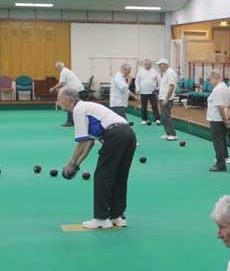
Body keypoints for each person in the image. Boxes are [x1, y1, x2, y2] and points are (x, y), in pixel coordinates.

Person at [57, 88, 137, 229]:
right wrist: (77, 165)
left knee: (102, 176)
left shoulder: (78, 109)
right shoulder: (87, 108)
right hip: (128, 134)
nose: (57, 102)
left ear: (68, 99)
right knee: (119, 176)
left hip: (115, 135)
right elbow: (90, 143)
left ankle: (101, 218)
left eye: (59, 98)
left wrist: (70, 162)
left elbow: (81, 142)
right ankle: (117, 216)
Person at [206, 70, 230, 172]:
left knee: (218, 142)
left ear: (215, 78)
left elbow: (220, 107)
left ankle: (220, 164)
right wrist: (228, 119)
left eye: (210, 79)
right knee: (221, 140)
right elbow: (229, 104)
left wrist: (226, 121)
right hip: (220, 118)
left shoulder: (217, 89)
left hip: (217, 119)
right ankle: (223, 159)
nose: (209, 82)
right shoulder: (225, 87)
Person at [49, 61, 85, 127]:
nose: (57, 70)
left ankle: (70, 122)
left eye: (56, 68)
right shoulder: (67, 71)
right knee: (74, 106)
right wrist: (58, 90)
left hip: (75, 90)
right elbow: (66, 84)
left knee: (69, 105)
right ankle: (75, 122)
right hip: (77, 89)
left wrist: (53, 88)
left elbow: (61, 83)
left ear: (59, 67)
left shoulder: (63, 72)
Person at [157, 58, 178, 141]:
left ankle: (172, 134)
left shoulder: (170, 73)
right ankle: (168, 133)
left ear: (164, 65)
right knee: (164, 116)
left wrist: (166, 98)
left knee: (166, 116)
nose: (159, 67)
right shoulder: (166, 73)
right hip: (162, 98)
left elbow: (171, 86)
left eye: (159, 65)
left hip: (166, 99)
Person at [136, 59, 161, 126]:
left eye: (149, 64)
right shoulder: (140, 71)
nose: (148, 65)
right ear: (144, 65)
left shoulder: (154, 71)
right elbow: (137, 81)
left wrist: (158, 88)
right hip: (143, 92)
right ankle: (144, 120)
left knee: (154, 106)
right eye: (147, 64)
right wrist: (137, 89)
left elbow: (159, 80)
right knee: (144, 106)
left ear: (151, 65)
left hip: (152, 92)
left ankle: (157, 119)